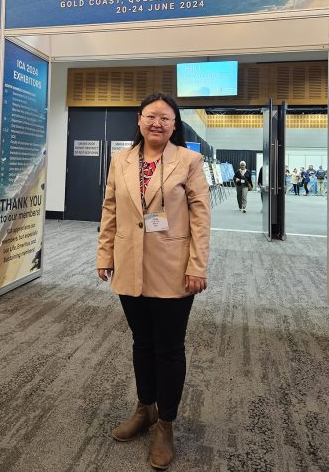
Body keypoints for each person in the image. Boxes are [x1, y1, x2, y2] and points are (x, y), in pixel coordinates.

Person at [97, 93, 211, 470]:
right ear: (139, 120)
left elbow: (201, 219)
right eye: (151, 116)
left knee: (169, 347)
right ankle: (144, 408)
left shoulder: (190, 161)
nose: (157, 123)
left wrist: (198, 265)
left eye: (165, 118)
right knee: (141, 341)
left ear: (175, 124)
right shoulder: (121, 160)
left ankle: (166, 424)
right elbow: (110, 209)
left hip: (173, 266)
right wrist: (105, 255)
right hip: (129, 264)